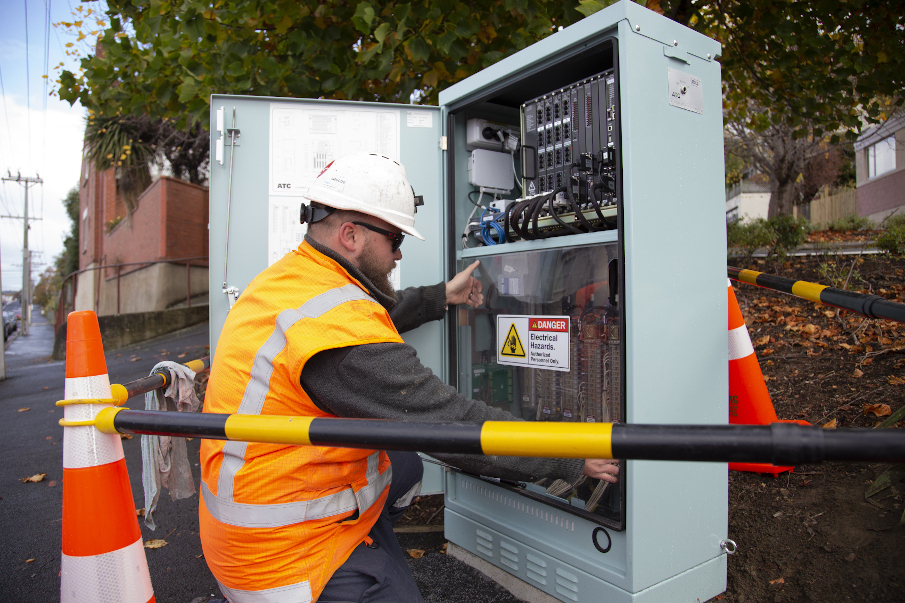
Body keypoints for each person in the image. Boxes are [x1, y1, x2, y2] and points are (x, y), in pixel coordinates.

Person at [199, 153, 619, 603]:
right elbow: (451, 425)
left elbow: (364, 319)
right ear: (351, 235)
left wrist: (442, 296)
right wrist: (568, 455)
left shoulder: (291, 280)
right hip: (280, 553)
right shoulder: (343, 340)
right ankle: (358, 564)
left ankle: (365, 528)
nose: (399, 253)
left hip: (248, 510)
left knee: (404, 461)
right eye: (396, 238)